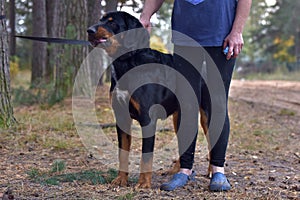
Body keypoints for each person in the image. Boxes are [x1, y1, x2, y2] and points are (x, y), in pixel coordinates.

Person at [140, 0, 252, 191]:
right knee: (186, 102)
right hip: (185, 35)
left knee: (217, 102)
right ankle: (185, 170)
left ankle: (218, 170)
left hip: (222, 34)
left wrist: (237, 31)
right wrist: (145, 16)